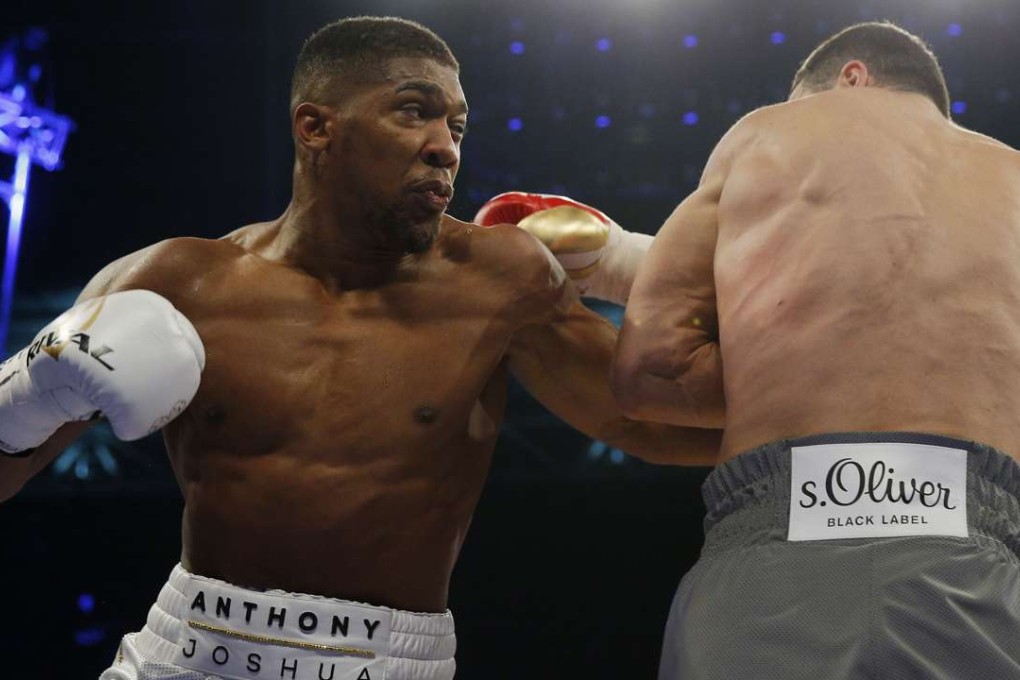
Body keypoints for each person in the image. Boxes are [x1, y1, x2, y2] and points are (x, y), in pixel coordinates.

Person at [0, 16, 721, 680]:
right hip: (186, 652)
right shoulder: (174, 282)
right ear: (316, 127)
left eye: (458, 125)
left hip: (389, 659)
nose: (446, 146)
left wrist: (818, 399)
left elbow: (646, 418)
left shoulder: (500, 280)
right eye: (414, 110)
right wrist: (28, 393)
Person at [611, 20, 1020, 679]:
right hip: (984, 565)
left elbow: (651, 369)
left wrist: (799, 384)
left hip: (780, 553)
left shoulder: (768, 132)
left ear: (849, 78)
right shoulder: (1014, 176)